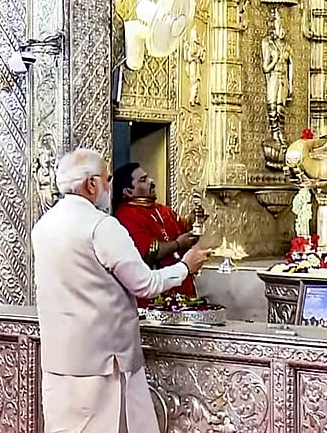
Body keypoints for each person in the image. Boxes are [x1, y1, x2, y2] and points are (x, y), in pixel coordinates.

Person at [32, 148, 210, 433]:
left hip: (60, 362)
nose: (109, 186)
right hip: (105, 366)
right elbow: (145, 284)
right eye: (107, 178)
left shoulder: (43, 227)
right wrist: (185, 267)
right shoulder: (101, 226)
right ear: (91, 184)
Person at [112, 162, 198, 306]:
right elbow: (149, 252)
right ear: (128, 191)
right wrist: (178, 244)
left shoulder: (161, 209)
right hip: (155, 296)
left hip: (182, 288)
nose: (151, 181)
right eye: (143, 180)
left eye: (148, 177)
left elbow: (182, 230)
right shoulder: (126, 214)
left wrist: (194, 221)